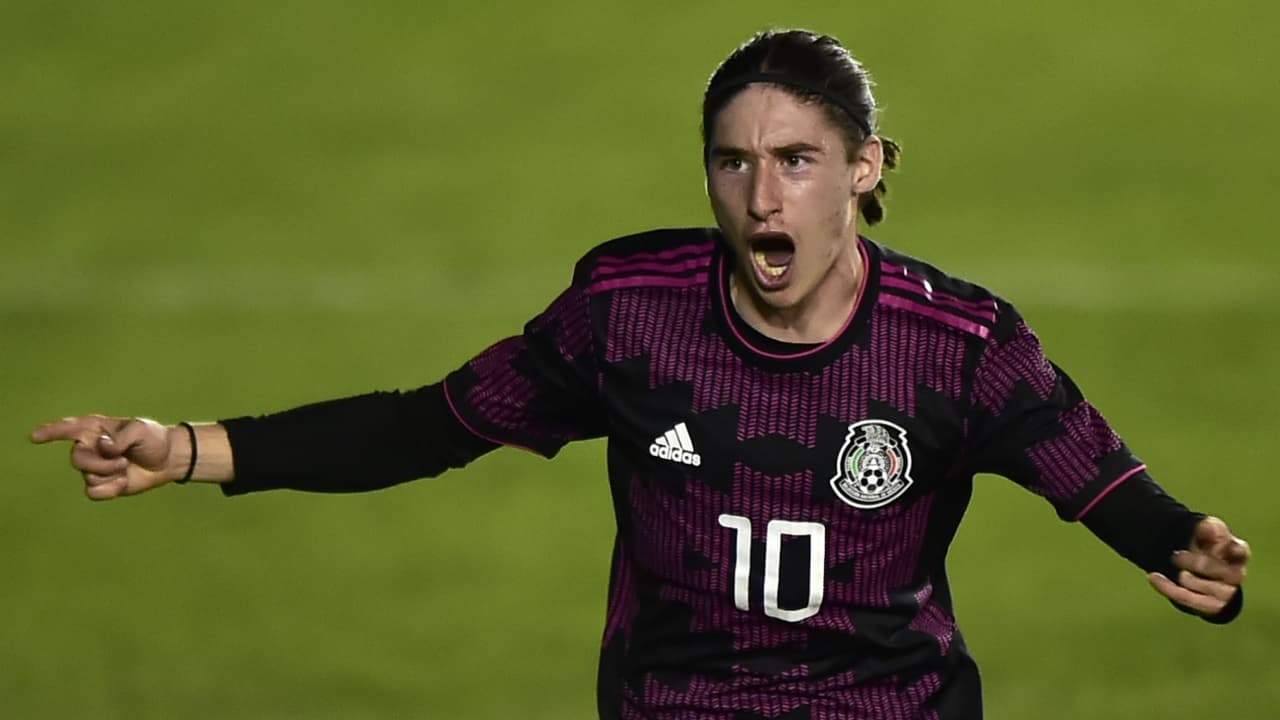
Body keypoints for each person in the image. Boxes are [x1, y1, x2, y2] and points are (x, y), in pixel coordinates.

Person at [30, 29, 1250, 720]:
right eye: (730, 163)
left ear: (868, 168)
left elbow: (1092, 480)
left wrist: (1178, 548)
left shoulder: (956, 344)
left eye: (797, 161)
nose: (760, 197)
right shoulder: (629, 317)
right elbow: (430, 426)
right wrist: (191, 447)